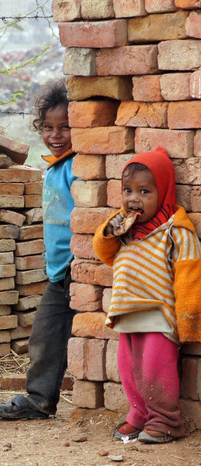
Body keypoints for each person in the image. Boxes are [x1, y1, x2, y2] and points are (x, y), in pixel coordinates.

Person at [93, 147, 201, 443]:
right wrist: (109, 231)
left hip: (159, 314)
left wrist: (188, 321)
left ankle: (167, 420)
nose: (133, 198)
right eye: (127, 190)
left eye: (144, 191)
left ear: (163, 192)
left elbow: (190, 275)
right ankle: (140, 414)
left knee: (155, 369)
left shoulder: (175, 230)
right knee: (129, 371)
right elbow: (104, 253)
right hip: (127, 312)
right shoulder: (123, 229)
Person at [0, 79, 77, 419]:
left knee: (58, 335)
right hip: (58, 270)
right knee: (44, 337)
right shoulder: (54, 167)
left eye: (65, 127)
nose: (56, 135)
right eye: (49, 127)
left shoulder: (78, 168)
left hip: (77, 267)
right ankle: (39, 401)